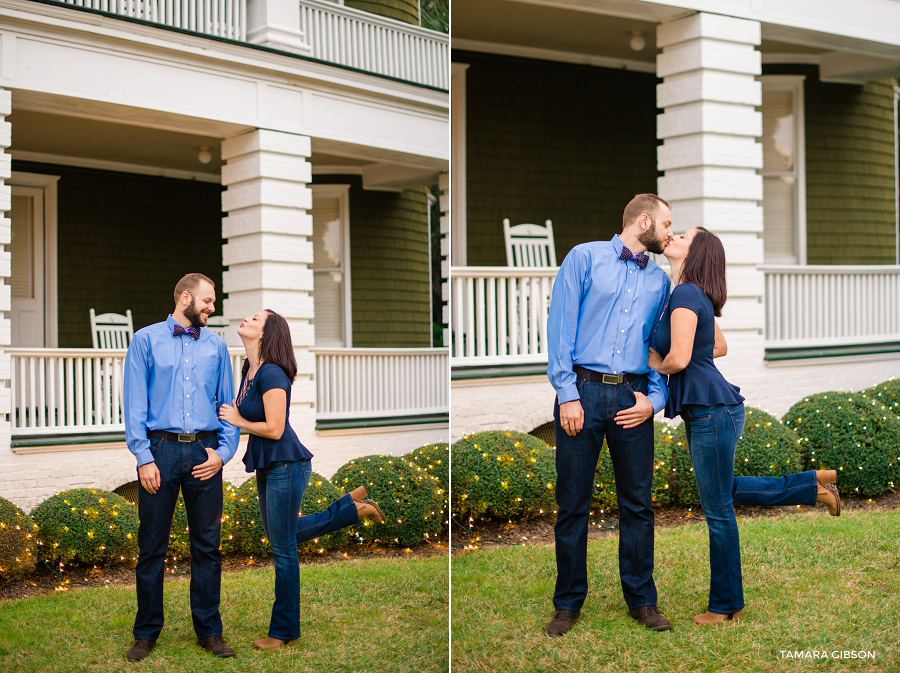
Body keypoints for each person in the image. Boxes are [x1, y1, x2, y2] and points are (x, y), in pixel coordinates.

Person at [648, 227, 841, 625]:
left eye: (682, 234)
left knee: (718, 510)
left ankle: (725, 604)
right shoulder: (691, 292)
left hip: (710, 411)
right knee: (722, 494)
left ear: (696, 250)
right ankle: (814, 485)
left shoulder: (685, 294)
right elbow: (717, 347)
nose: (674, 236)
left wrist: (651, 362)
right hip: (714, 408)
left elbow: (681, 360)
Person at [217, 308, 385, 650]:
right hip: (271, 465)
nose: (247, 319)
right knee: (282, 537)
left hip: (287, 465)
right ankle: (351, 507)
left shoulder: (272, 374)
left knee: (284, 550)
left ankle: (283, 631)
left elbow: (275, 429)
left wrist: (237, 419)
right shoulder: (250, 369)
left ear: (266, 333)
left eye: (255, 318)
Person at [545, 193, 675, 636]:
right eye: (666, 224)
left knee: (638, 504)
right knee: (573, 504)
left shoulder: (660, 282)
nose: (670, 233)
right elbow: (560, 326)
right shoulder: (583, 259)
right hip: (581, 391)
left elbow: (660, 348)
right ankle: (567, 603)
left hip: (632, 399)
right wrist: (567, 394)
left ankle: (642, 599)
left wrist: (653, 402)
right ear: (643, 221)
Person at [124, 273, 240, 662]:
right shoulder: (145, 340)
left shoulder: (217, 346)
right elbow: (134, 404)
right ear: (186, 297)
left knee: (207, 546)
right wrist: (143, 457)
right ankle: (146, 633)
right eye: (207, 301)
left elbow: (227, 408)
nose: (212, 308)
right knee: (151, 547)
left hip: (205, 455)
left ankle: (209, 630)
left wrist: (223, 453)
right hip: (160, 452)